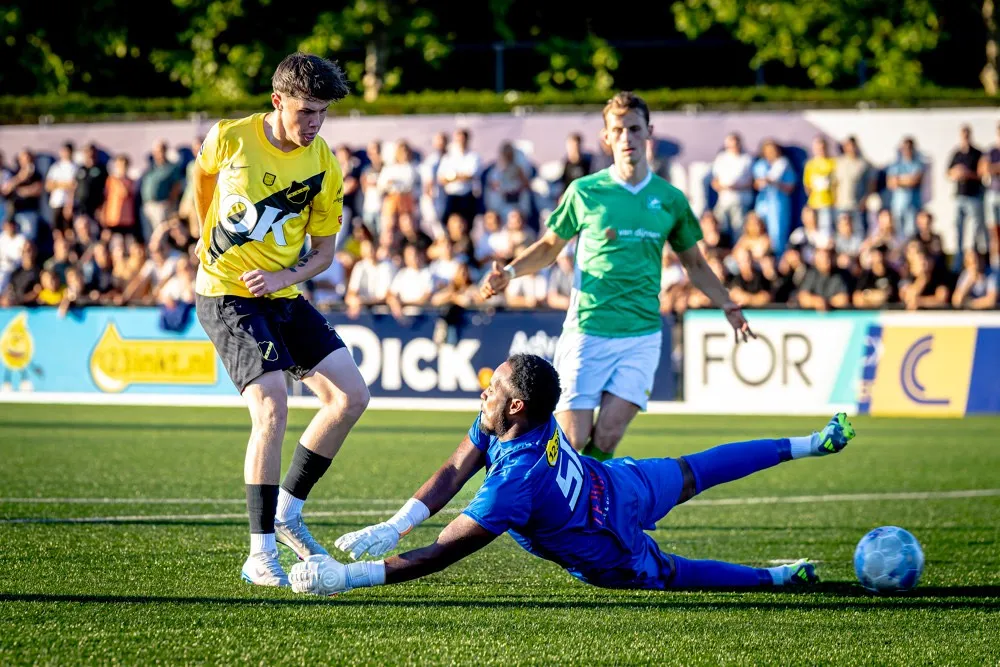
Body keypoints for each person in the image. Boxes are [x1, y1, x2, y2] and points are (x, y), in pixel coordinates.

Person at [288, 354, 855, 596]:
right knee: (698, 468)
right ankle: (811, 442)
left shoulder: (516, 481)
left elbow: (441, 554)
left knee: (678, 572)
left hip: (609, 549)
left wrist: (349, 576)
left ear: (514, 407)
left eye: (495, 387)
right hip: (619, 485)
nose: (485, 389)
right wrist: (397, 522)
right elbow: (456, 465)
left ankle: (779, 580)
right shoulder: (516, 422)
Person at [480, 92, 753, 462]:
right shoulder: (586, 191)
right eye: (618, 130)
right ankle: (540, 503)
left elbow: (696, 264)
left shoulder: (670, 198)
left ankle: (586, 507)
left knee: (606, 438)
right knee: (571, 439)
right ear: (606, 137)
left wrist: (726, 302)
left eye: (635, 129)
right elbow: (548, 247)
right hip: (587, 329)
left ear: (649, 132)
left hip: (640, 335)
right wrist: (509, 272)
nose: (627, 138)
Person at [191, 52, 369, 588]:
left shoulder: (324, 162)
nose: (314, 122)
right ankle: (260, 551)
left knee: (350, 397)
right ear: (278, 101)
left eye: (323, 113)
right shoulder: (232, 137)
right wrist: (199, 226)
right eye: (306, 110)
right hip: (226, 293)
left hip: (281, 294)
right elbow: (200, 175)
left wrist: (282, 280)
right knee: (271, 406)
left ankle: (289, 510)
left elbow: (324, 254)